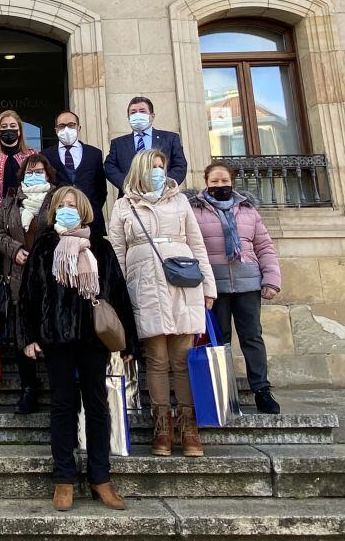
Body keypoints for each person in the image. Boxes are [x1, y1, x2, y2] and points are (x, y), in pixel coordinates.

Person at [18, 187, 137, 512]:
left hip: (93, 338)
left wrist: (129, 341)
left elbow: (117, 291)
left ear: (84, 210)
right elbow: (28, 294)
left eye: (73, 205)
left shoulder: (100, 245)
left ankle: (101, 478)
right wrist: (29, 335)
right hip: (56, 336)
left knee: (98, 405)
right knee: (61, 406)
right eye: (62, 206)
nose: (67, 210)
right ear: (54, 211)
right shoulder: (44, 246)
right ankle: (64, 478)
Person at [109, 149, 216, 458]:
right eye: (153, 167)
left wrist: (208, 285)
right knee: (156, 358)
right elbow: (117, 252)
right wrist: (119, 296)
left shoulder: (180, 201)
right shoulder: (123, 205)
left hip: (183, 284)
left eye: (161, 167)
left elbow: (197, 243)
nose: (158, 172)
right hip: (143, 285)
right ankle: (162, 428)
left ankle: (189, 427)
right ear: (140, 170)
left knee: (182, 357)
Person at [188, 161, 282, 414]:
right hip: (214, 285)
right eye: (214, 181)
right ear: (206, 183)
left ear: (232, 181)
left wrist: (271, 279)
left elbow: (264, 246)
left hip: (248, 281)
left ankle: (261, 389)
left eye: (224, 181)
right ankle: (224, 389)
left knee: (252, 336)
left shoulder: (248, 210)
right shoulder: (194, 211)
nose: (220, 185)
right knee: (221, 340)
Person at [0, 154, 57, 414]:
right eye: (30, 172)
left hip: (51, 279)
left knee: (51, 333)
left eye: (40, 171)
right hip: (18, 279)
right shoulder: (11, 202)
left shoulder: (58, 199)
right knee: (22, 337)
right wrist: (14, 248)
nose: (35, 175)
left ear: (48, 174)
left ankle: (58, 390)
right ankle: (29, 389)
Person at [41, 110, 108, 239]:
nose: (66, 129)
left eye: (71, 125)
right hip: (59, 224)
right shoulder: (46, 156)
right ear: (56, 130)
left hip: (92, 223)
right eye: (61, 126)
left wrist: (87, 208)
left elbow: (101, 190)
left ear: (79, 127)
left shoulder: (94, 154)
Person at [104, 96, 188, 190]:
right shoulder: (118, 143)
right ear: (128, 118)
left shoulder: (170, 138)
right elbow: (109, 167)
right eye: (133, 112)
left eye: (142, 111)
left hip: (164, 197)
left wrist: (163, 184)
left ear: (152, 116)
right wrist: (129, 185)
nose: (137, 115)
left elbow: (180, 166)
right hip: (130, 198)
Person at [0, 109, 36, 215]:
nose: (9, 129)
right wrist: (3, 209)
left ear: (19, 130)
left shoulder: (32, 154)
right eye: (4, 127)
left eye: (13, 126)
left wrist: (22, 208)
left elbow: (36, 183)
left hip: (25, 212)